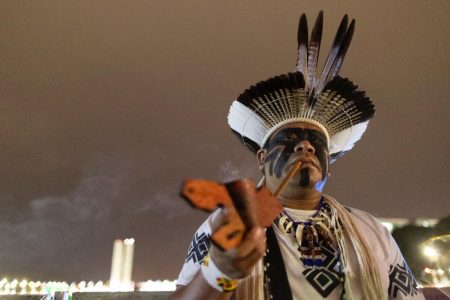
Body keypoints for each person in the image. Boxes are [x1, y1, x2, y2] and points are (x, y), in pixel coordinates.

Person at [170, 12, 424, 300]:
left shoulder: (371, 229)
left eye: (316, 142)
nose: (306, 147)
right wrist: (219, 271)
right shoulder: (229, 223)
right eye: (289, 140)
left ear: (330, 166)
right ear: (262, 158)